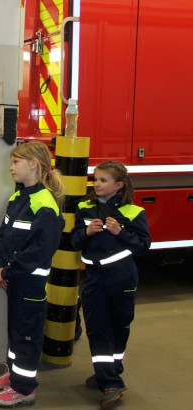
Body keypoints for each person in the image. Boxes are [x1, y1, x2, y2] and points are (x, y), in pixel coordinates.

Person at [0, 141, 65, 407]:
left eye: (16, 162)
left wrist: (9, 271)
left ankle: (24, 388)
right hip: (14, 279)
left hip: (29, 283)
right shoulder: (18, 198)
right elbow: (3, 236)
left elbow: (39, 252)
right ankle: (14, 374)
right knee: (16, 331)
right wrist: (0, 266)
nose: (11, 168)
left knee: (27, 335)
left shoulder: (45, 204)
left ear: (34, 164)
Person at [70, 160, 150, 409]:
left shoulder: (133, 212)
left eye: (104, 180)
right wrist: (86, 234)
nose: (97, 184)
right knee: (97, 328)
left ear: (119, 186)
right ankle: (111, 383)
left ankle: (109, 371)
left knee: (119, 327)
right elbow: (73, 241)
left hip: (122, 279)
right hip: (94, 279)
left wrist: (121, 233)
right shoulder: (84, 208)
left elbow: (143, 246)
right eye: (96, 179)